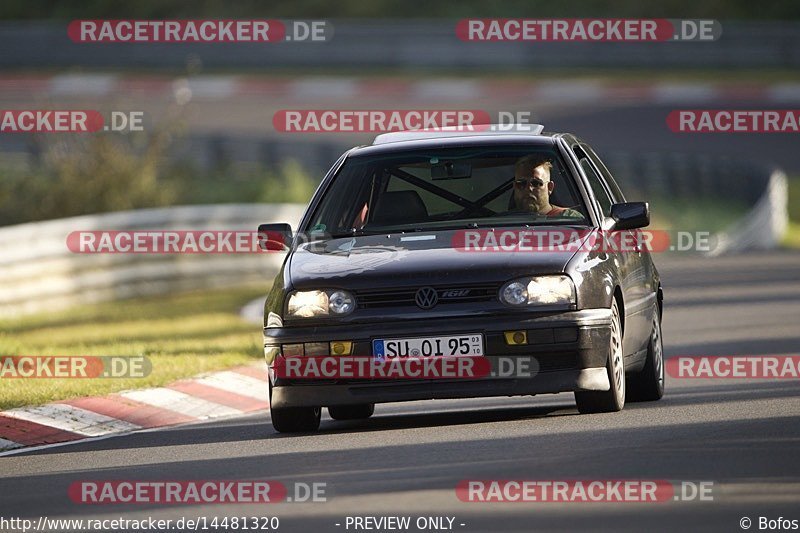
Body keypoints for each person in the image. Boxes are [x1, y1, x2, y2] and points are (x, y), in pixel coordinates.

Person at [511, 155, 582, 218]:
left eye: (536, 183)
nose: (529, 188)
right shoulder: (504, 221)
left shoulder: (570, 219)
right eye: (521, 183)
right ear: (514, 186)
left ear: (550, 187)